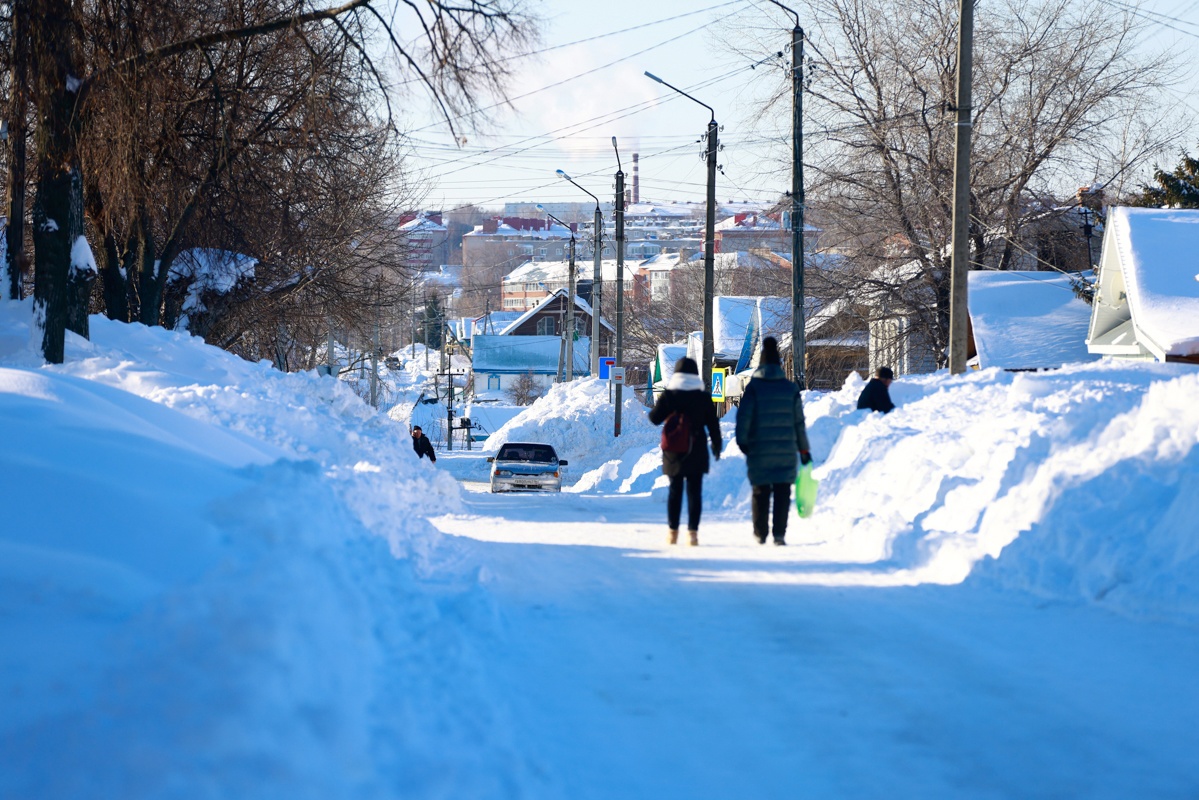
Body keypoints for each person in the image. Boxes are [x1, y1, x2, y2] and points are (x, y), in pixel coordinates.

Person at [735, 337, 811, 546]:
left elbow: (743, 418)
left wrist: (743, 442)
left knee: (760, 491)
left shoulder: (753, 388)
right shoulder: (790, 389)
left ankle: (760, 533)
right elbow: (799, 423)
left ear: (760, 364)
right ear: (779, 364)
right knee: (782, 492)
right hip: (786, 450)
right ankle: (779, 535)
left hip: (759, 450)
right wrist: (804, 449)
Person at [648, 357, 722, 546]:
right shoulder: (703, 396)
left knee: (675, 490)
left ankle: (672, 532)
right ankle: (693, 534)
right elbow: (713, 424)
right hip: (696, 448)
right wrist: (716, 445)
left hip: (674, 449)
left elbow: (654, 418)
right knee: (694, 492)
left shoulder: (670, 395)